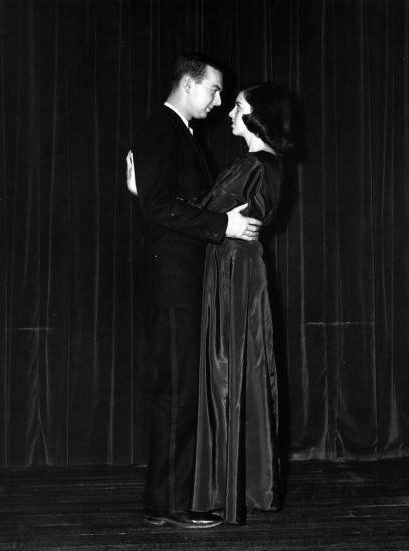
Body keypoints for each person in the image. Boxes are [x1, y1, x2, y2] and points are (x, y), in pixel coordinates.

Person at [128, 53, 262, 529]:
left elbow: (163, 200)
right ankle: (168, 504)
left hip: (181, 281)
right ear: (188, 84)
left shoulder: (176, 132)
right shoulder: (162, 130)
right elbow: (159, 205)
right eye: (214, 90)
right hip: (173, 284)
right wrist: (224, 226)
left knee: (182, 390)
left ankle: (168, 500)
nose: (219, 101)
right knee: (178, 391)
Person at [191, 83, 294, 524]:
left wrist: (144, 192)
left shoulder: (254, 164)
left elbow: (202, 211)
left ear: (256, 116)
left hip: (233, 269)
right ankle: (247, 486)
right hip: (241, 266)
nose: (231, 112)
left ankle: (227, 489)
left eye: (238, 106)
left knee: (227, 369)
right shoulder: (266, 163)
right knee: (242, 367)